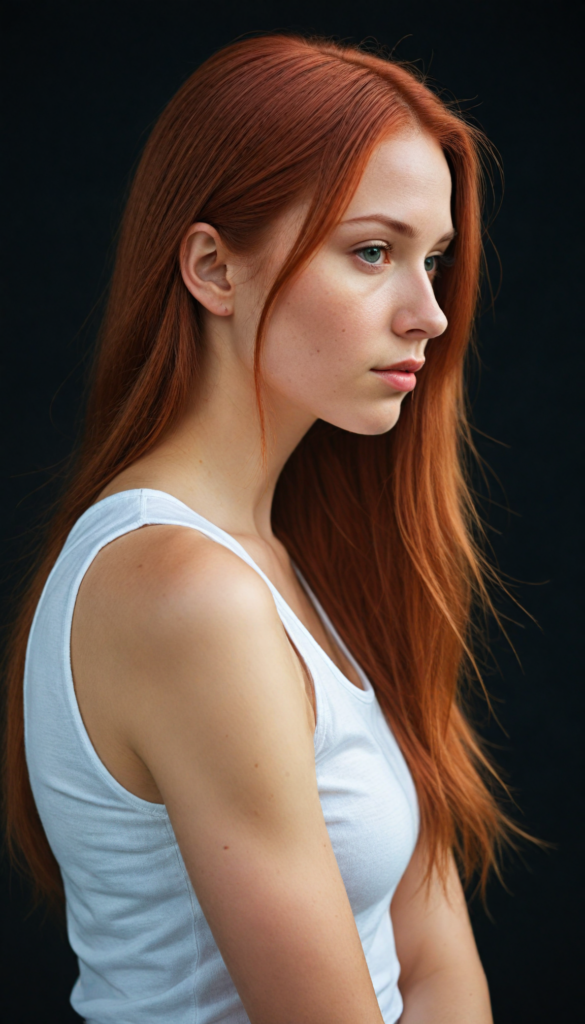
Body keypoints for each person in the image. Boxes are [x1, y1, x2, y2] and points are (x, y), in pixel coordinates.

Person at [3, 33, 520, 1023]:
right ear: (213, 268)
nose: (430, 313)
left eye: (436, 259)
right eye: (373, 251)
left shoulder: (299, 564)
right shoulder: (181, 591)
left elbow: (438, 965)